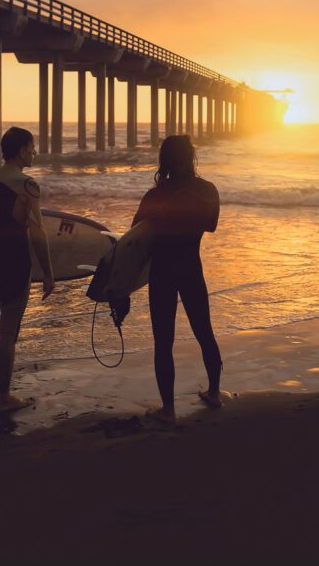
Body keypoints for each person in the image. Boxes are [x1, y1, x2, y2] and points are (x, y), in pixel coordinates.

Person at [132, 135, 223, 425]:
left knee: (164, 341)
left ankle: (168, 410)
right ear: (191, 156)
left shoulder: (155, 196)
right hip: (191, 267)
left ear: (164, 160)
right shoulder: (208, 190)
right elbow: (211, 226)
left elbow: (134, 238)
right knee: (204, 332)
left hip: (162, 271)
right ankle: (214, 392)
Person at [0, 127, 54, 425]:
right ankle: (3, 398)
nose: (34, 153)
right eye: (32, 147)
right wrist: (48, 272)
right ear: (21, 151)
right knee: (7, 334)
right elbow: (38, 231)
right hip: (14, 262)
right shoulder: (27, 185)